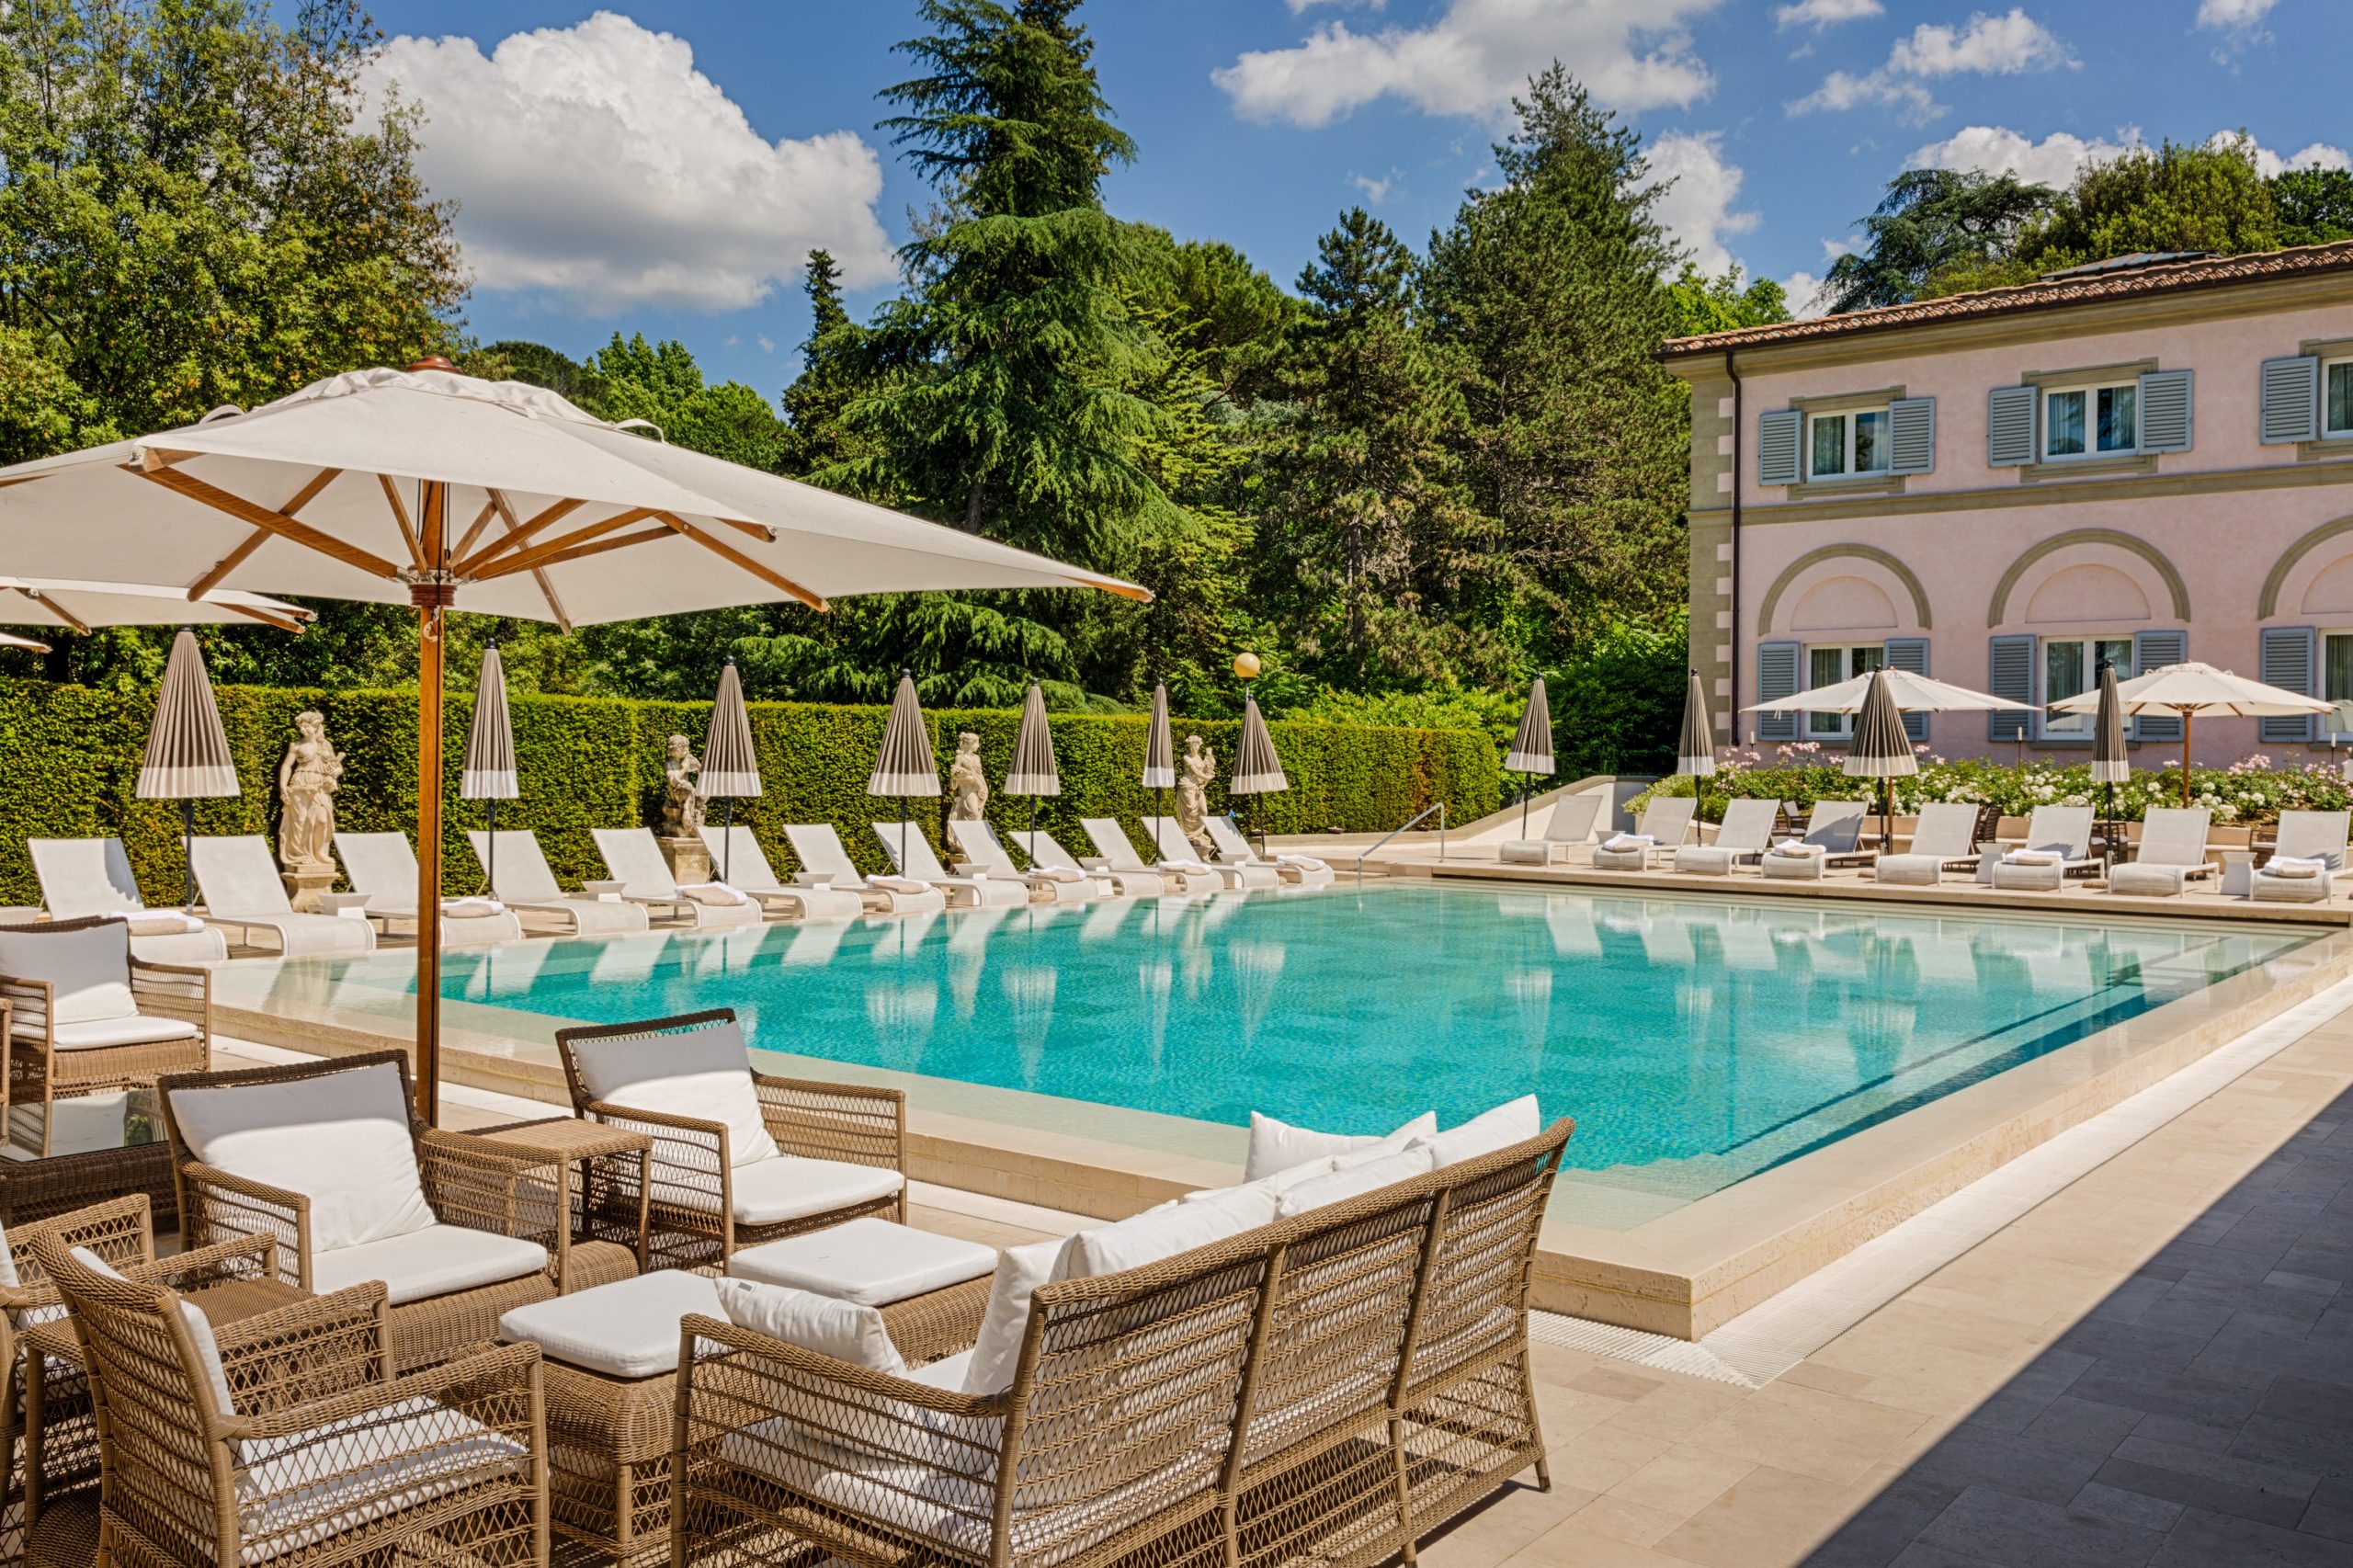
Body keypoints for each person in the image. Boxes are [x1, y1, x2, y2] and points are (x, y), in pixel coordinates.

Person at [277, 710, 342, 872]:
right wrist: (283, 786)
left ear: (315, 726)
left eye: (306, 727)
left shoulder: (326, 745)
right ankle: (301, 855)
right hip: (300, 784)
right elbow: (286, 766)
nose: (302, 730)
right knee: (300, 821)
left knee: (322, 820)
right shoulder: (296, 745)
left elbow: (337, 766)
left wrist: (336, 773)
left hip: (321, 786)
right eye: (301, 727)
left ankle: (320, 853)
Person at [661, 733, 705, 838]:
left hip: (688, 791)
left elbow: (702, 773)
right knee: (688, 786)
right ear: (675, 751)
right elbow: (673, 781)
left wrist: (698, 765)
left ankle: (696, 820)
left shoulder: (686, 760)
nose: (687, 750)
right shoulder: (668, 763)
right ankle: (687, 821)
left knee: (704, 793)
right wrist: (685, 768)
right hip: (676, 792)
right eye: (684, 748)